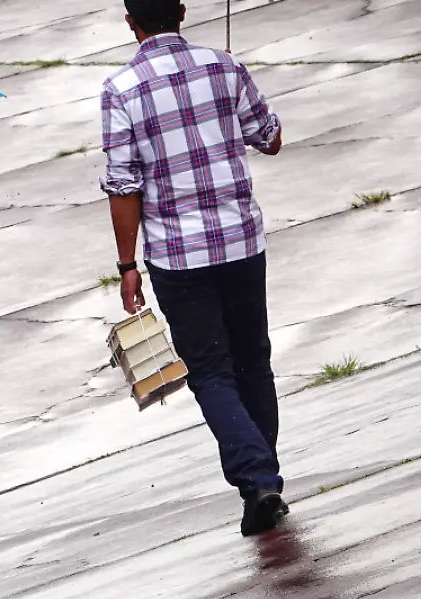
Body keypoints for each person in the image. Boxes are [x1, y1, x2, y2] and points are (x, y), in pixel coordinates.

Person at [99, 0, 288, 536]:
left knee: (210, 370)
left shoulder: (122, 89)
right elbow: (269, 138)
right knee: (254, 360)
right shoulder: (224, 66)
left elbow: (123, 184)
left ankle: (257, 479)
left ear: (131, 21)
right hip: (241, 242)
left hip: (178, 257)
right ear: (181, 12)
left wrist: (127, 264)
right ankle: (264, 479)